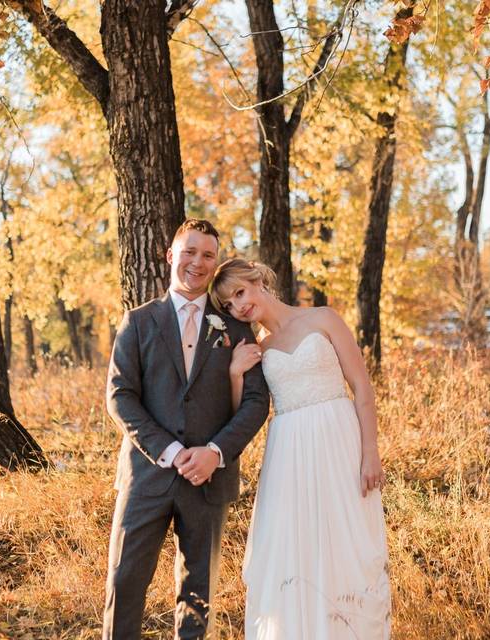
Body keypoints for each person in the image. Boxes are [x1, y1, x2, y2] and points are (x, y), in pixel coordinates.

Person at [103, 220, 270, 639]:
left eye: (208, 255)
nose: (198, 262)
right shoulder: (138, 322)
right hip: (147, 476)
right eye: (190, 251)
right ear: (170, 255)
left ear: (216, 264)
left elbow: (255, 402)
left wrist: (215, 452)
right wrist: (173, 452)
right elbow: (120, 396)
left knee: (198, 598)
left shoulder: (235, 326)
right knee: (124, 585)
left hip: (209, 482)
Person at [211, 258, 391, 640]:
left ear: (258, 278)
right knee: (294, 547)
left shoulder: (323, 318)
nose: (239, 306)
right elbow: (240, 412)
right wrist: (234, 373)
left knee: (345, 541)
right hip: (289, 453)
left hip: (338, 440)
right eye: (229, 304)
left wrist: (370, 450)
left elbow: (361, 387)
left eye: (240, 292)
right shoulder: (257, 349)